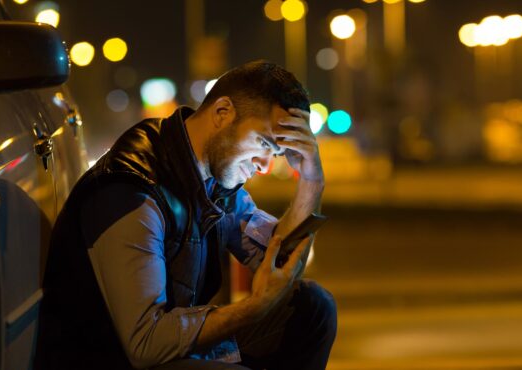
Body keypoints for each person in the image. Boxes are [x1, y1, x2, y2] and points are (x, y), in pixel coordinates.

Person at [34, 61, 337, 370]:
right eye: (262, 143)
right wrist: (254, 307)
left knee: (312, 308)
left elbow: (280, 260)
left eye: (274, 153)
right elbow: (146, 344)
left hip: (162, 349)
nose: (263, 165)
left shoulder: (214, 179)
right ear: (223, 113)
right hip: (105, 360)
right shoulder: (132, 189)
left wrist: (312, 179)